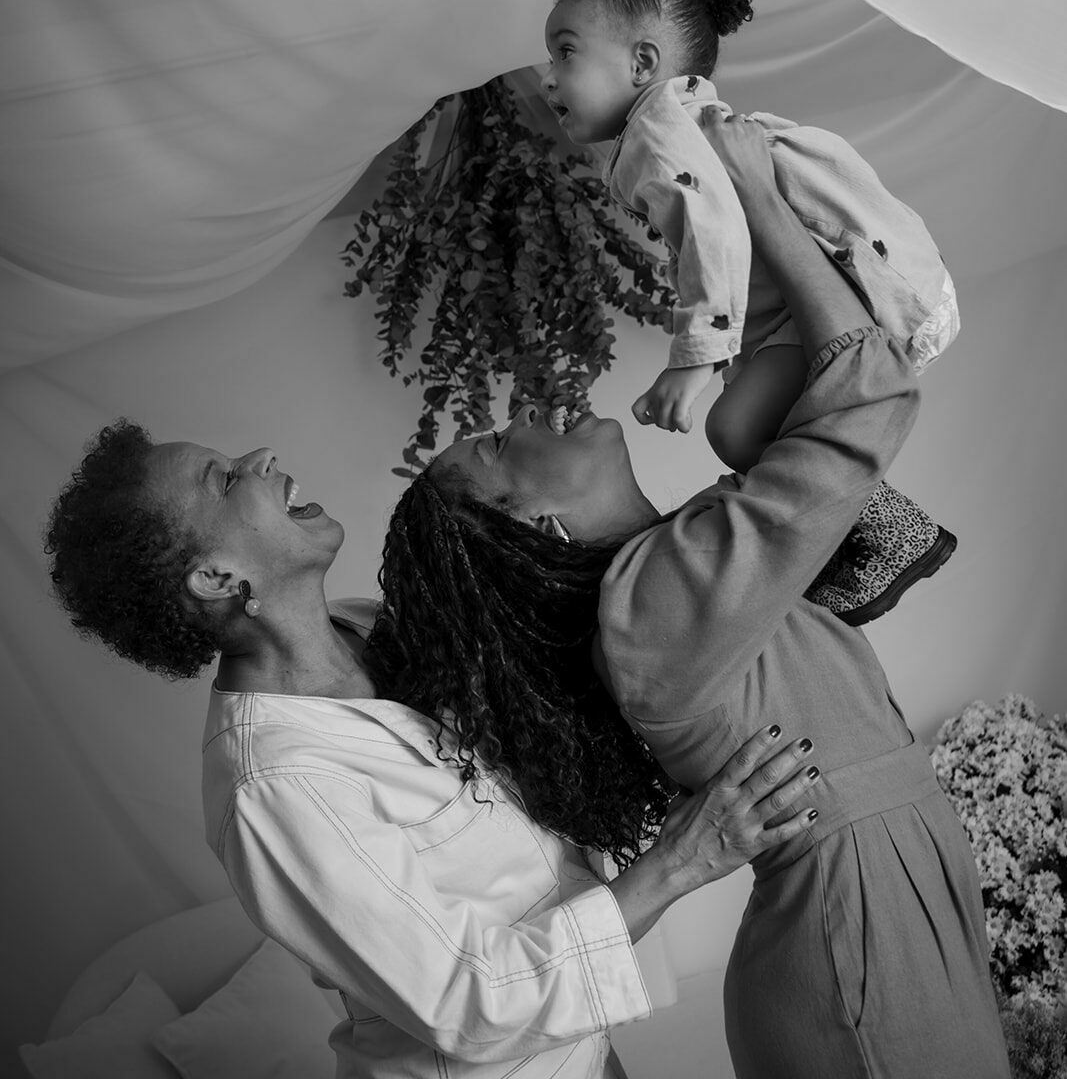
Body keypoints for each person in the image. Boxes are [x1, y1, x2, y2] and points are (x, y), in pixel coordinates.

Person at [379, 113, 1009, 1079]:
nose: (527, 410)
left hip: (887, 887)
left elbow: (874, 525)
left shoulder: (675, 568)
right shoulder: (652, 611)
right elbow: (866, 403)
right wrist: (757, 195)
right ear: (531, 524)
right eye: (500, 442)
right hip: (854, 929)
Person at [44, 424, 823, 1079]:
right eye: (223, 479)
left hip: (583, 1056)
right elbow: (471, 1001)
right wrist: (687, 859)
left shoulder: (372, 628)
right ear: (218, 577)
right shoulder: (273, 786)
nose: (261, 456)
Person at [540, 0, 960, 625]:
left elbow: (716, 235)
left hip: (851, 281)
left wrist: (692, 362)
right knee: (760, 429)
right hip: (832, 289)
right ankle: (854, 540)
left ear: (642, 63)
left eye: (565, 51)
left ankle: (890, 535)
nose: (548, 75)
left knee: (737, 432)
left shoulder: (658, 132)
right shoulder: (677, 124)